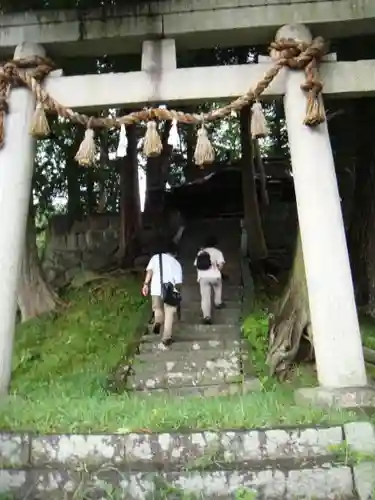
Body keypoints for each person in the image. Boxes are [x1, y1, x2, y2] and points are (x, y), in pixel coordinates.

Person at [142, 241, 183, 347]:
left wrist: (146, 284)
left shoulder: (155, 258)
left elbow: (149, 272)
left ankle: (158, 321)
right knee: (169, 313)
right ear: (175, 253)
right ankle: (166, 338)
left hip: (156, 288)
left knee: (157, 309)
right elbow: (178, 282)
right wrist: (178, 294)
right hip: (169, 291)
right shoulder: (176, 263)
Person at [194, 235, 225, 325]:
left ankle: (207, 316)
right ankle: (218, 302)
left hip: (203, 277)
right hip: (215, 276)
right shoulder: (218, 252)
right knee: (218, 286)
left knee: (205, 297)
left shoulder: (200, 252)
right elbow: (221, 267)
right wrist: (216, 268)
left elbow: (196, 265)